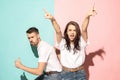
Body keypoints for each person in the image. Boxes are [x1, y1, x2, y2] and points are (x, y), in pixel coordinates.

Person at [44, 5, 97, 80]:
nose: (72, 32)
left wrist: (87, 16)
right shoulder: (62, 43)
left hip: (80, 73)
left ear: (77, 32)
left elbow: (84, 29)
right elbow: (58, 31)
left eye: (74, 30)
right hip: (66, 74)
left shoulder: (81, 42)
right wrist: (52, 19)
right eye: (70, 30)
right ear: (66, 32)